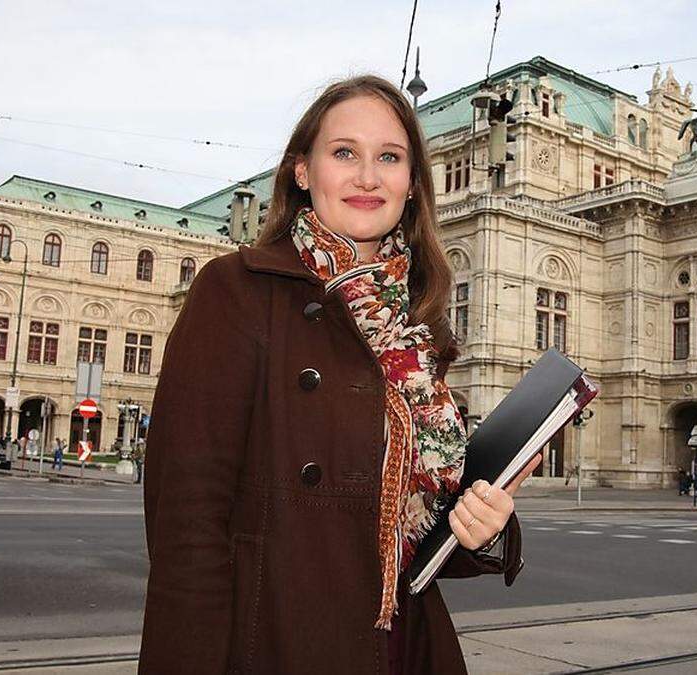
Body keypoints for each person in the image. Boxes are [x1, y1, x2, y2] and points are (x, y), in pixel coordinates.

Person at [138, 75, 539, 674]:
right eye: (344, 152)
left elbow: (407, 535)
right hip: (279, 640)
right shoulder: (236, 292)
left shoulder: (416, 327)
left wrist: (479, 525)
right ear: (303, 171)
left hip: (404, 642)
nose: (368, 176)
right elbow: (186, 529)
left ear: (411, 185)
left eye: (390, 158)